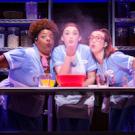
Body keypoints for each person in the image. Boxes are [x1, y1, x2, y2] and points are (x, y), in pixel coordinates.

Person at [0, 19, 59, 131]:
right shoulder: (25, 53)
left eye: (51, 37)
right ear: (35, 40)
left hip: (35, 114)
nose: (48, 39)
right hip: (14, 113)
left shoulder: (53, 61)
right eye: (44, 36)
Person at [52, 22, 97, 131]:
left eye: (74, 33)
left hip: (84, 100)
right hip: (64, 100)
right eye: (67, 33)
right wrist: (69, 55)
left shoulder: (86, 50)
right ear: (62, 38)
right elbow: (61, 77)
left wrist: (79, 87)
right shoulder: (57, 51)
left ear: (80, 37)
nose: (71, 36)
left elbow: (92, 77)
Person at [88, 28, 135, 131]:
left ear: (105, 44)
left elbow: (133, 62)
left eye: (98, 38)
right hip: (116, 102)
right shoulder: (98, 65)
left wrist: (132, 83)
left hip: (130, 100)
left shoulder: (114, 57)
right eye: (91, 38)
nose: (93, 40)